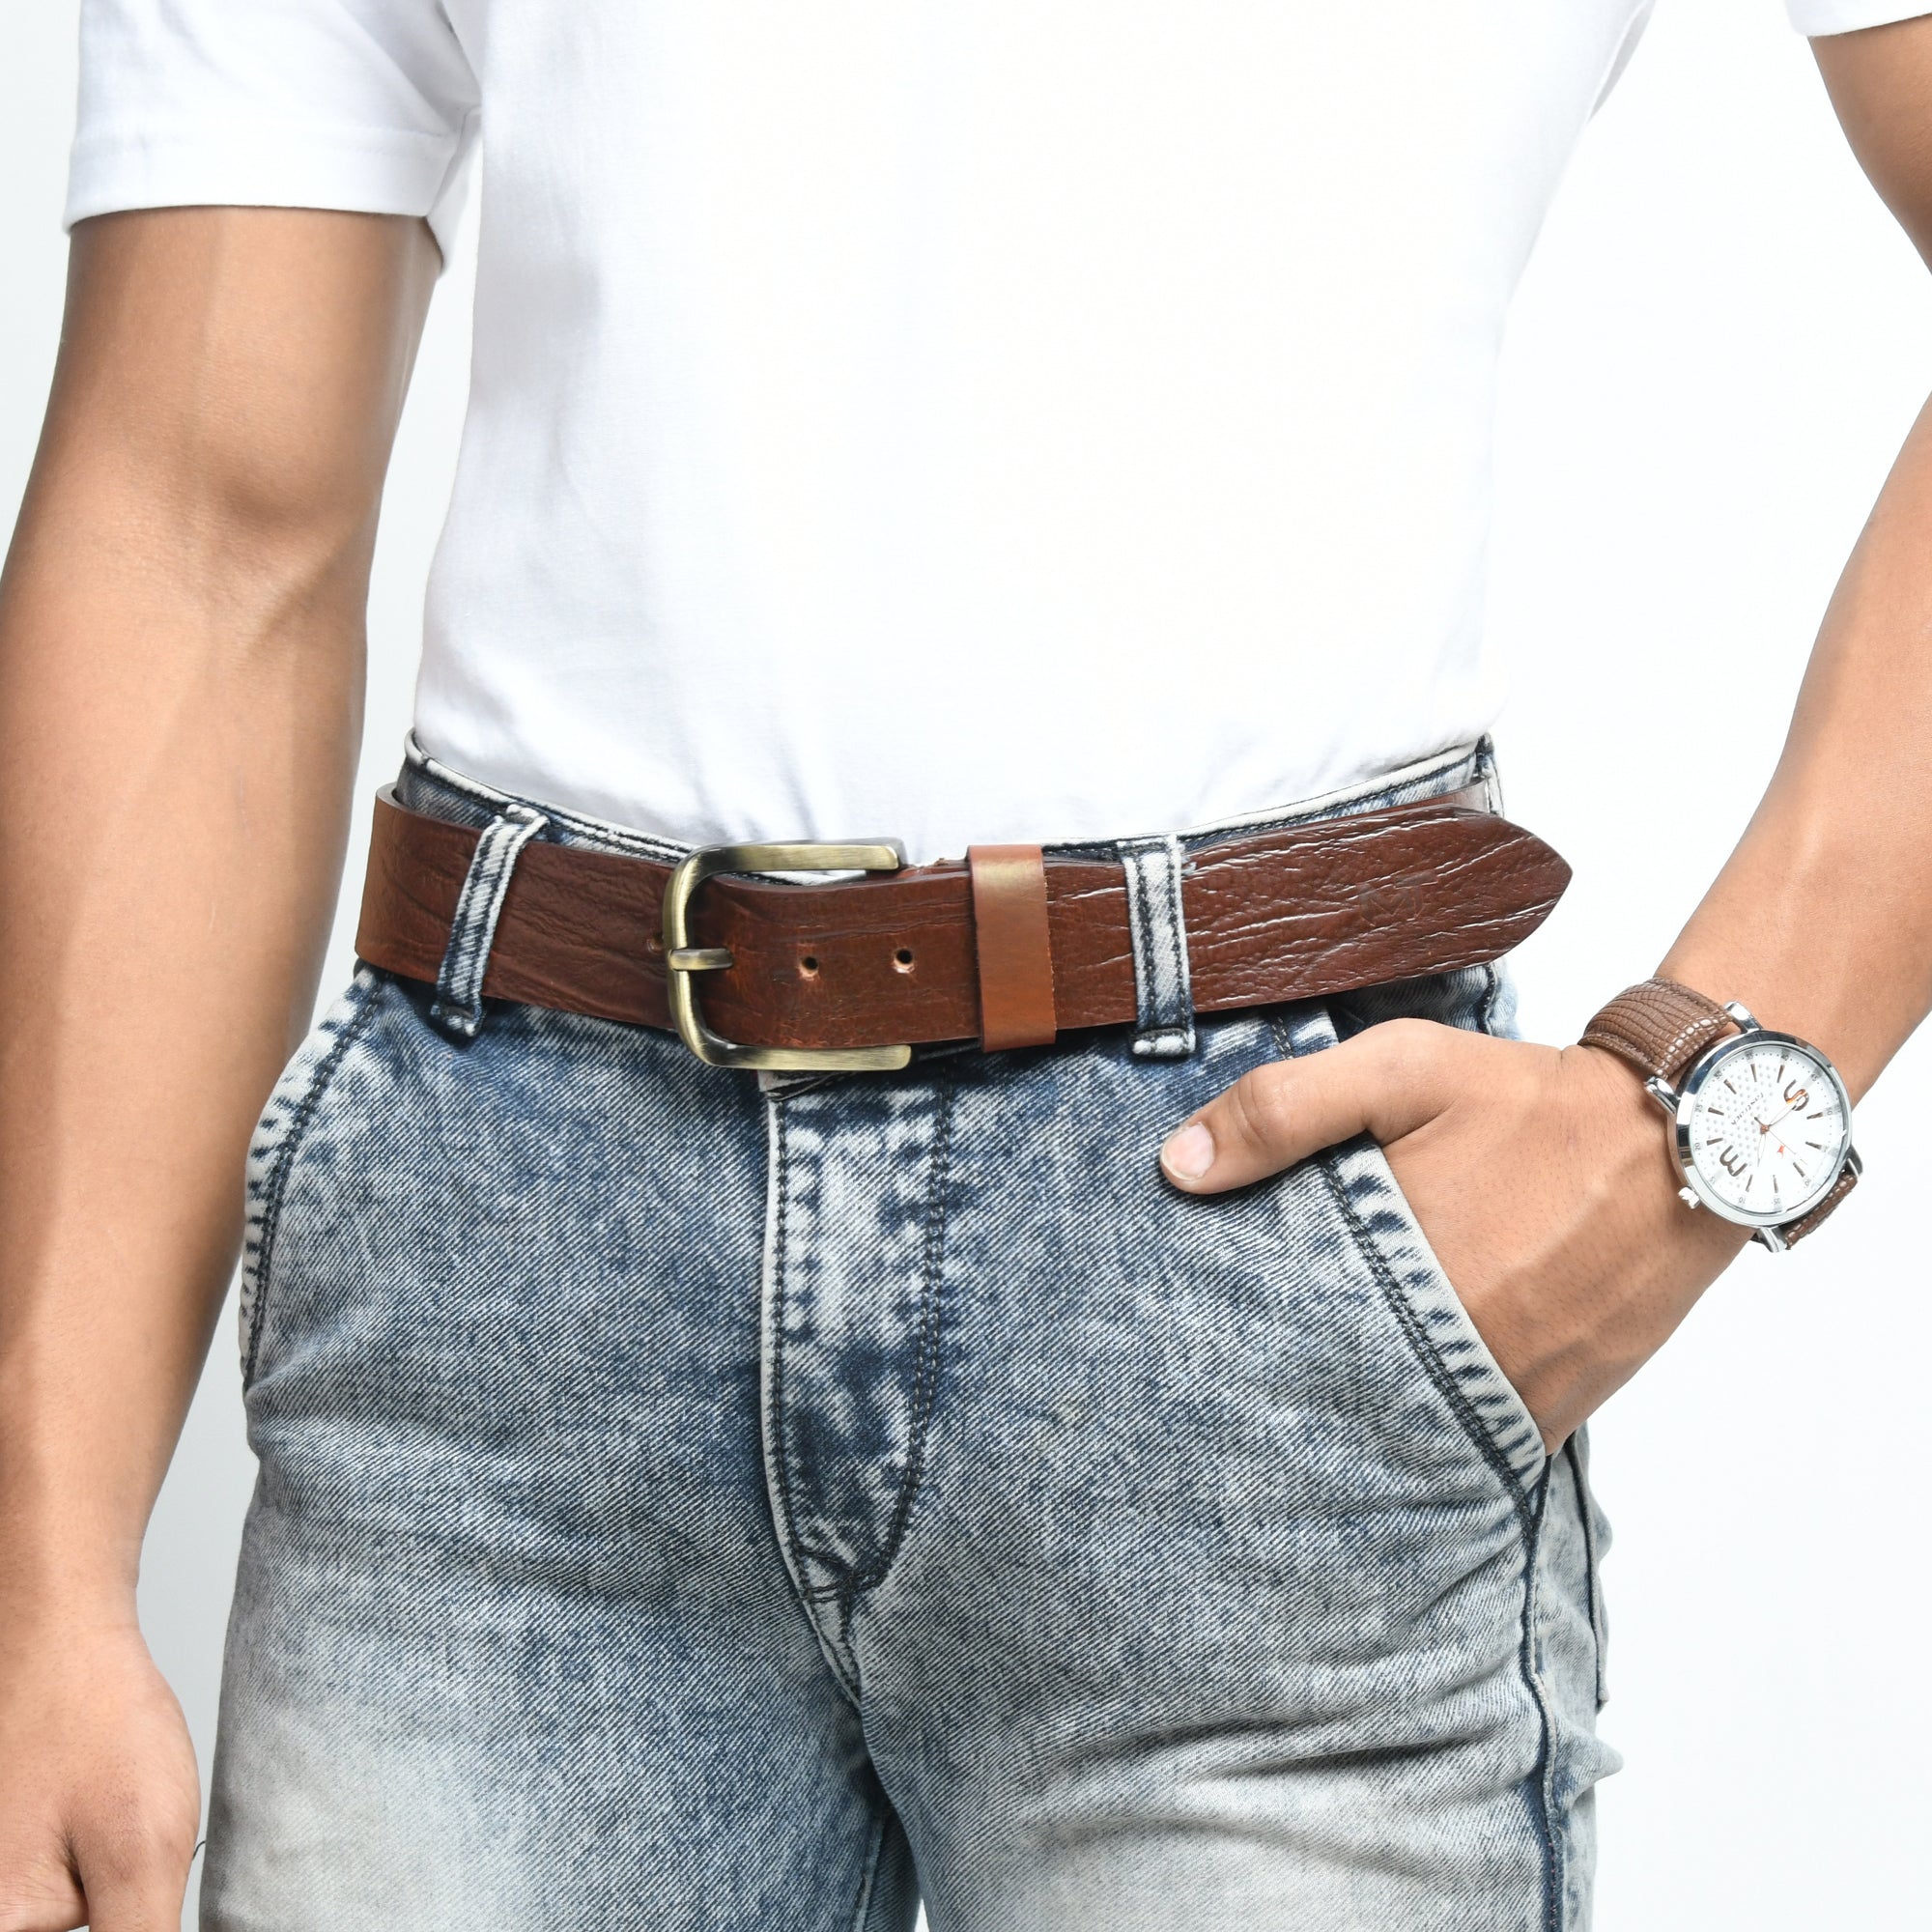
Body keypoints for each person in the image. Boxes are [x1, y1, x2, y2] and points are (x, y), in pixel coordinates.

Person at [4, 1, 1930, 1926]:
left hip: (1261, 1277)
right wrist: (39, 1562)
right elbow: (196, 521)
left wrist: (1692, 1119)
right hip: (513, 1327)